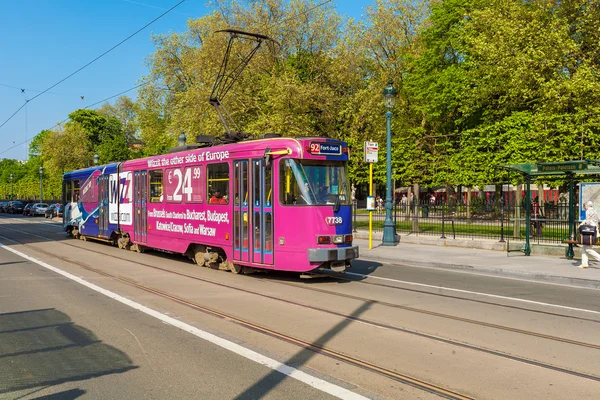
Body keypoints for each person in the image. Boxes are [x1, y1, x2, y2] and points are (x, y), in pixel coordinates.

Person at [579, 201, 600, 268]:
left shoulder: (588, 211)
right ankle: (584, 264)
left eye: (584, 206)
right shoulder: (595, 211)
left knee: (588, 248)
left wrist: (583, 223)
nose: (584, 208)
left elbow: (588, 221)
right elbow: (598, 220)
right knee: (584, 247)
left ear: (587, 206)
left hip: (589, 232)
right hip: (594, 231)